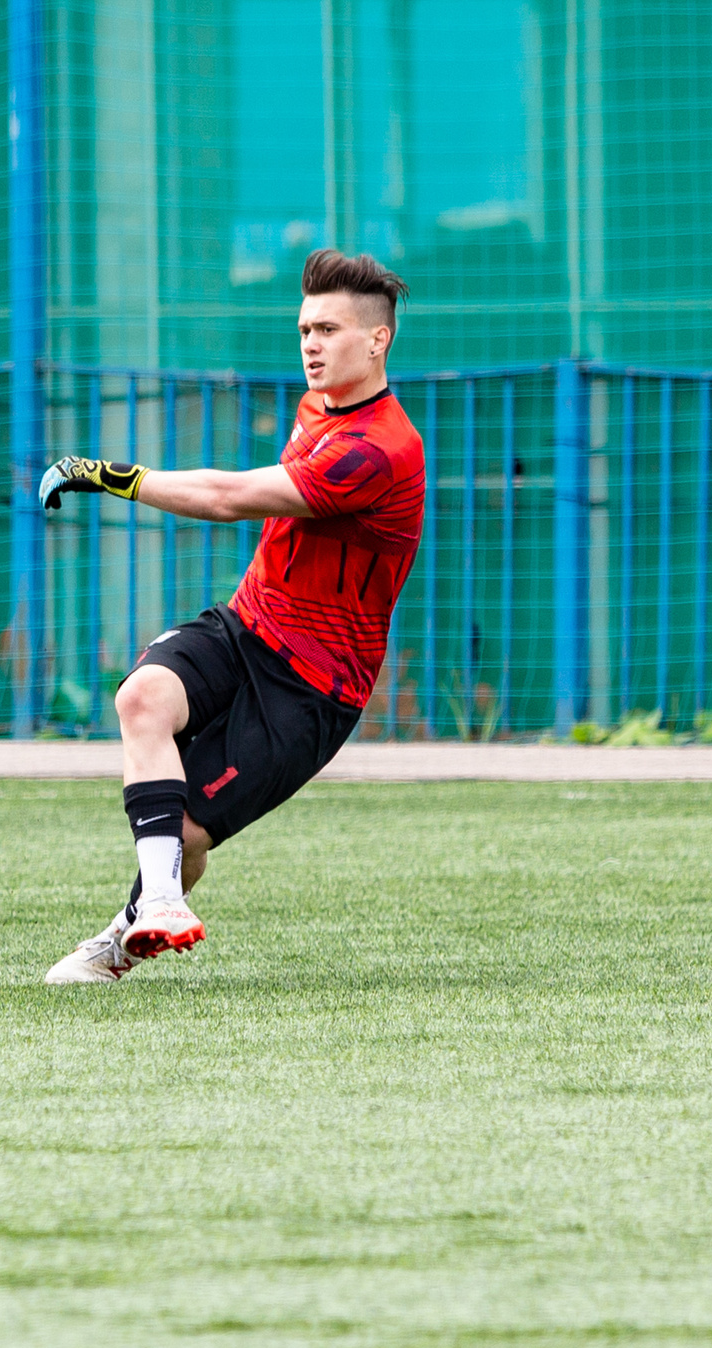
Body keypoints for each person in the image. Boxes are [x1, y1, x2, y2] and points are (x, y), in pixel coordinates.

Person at [36, 249, 424, 984]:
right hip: (247, 625)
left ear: (377, 341)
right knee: (141, 695)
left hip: (310, 688)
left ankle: (124, 936)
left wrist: (107, 475)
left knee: (185, 834)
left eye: (330, 329)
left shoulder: (378, 450)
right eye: (305, 327)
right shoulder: (321, 406)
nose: (311, 343)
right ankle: (161, 903)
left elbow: (224, 498)